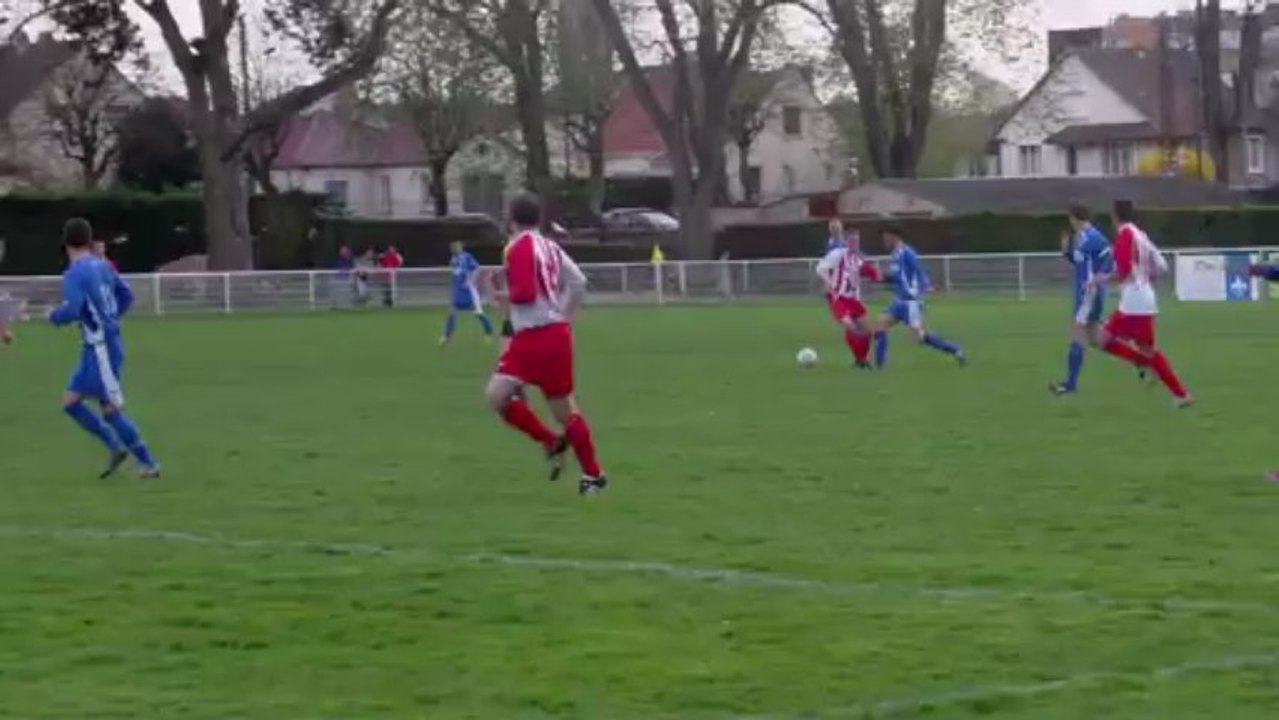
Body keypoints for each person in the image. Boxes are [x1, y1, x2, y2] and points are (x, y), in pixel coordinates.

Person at [485, 193, 606, 496]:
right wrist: (562, 316)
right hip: (556, 336)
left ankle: (550, 441)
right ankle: (593, 476)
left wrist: (500, 296)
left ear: (511, 218)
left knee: (496, 397)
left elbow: (525, 293)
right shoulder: (550, 246)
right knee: (565, 411)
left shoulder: (517, 246)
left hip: (532, 337)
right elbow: (578, 282)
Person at [49, 217, 159, 479]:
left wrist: (55, 316)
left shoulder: (74, 273)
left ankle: (146, 462)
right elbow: (127, 296)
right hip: (101, 345)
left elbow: (73, 309)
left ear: (65, 244)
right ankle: (119, 449)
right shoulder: (103, 266)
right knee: (72, 402)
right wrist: (110, 320)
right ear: (88, 240)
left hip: (100, 350)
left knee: (108, 409)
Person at [1093, 200, 1192, 408]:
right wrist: (1146, 279)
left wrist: (1099, 279)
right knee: (1145, 349)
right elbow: (1162, 266)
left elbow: (1124, 273)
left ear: (1114, 216)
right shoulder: (1141, 235)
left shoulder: (1124, 236)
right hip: (1144, 299)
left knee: (1103, 340)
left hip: (1133, 303)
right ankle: (1181, 394)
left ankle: (1147, 366)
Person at [872, 227, 966, 368]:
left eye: (886, 238)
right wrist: (881, 277)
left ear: (894, 236)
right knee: (880, 325)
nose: (884, 241)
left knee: (919, 337)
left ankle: (955, 349)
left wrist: (926, 284)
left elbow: (918, 270)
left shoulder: (907, 252)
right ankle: (879, 366)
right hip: (899, 301)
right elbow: (897, 277)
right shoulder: (894, 255)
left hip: (911, 303)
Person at [1050, 205, 1114, 395]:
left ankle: (1070, 384)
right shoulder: (1088, 238)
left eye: (1070, 218)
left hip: (1088, 294)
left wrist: (1096, 280)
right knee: (1096, 338)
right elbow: (1085, 263)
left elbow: (1104, 261)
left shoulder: (1089, 238)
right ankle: (1140, 361)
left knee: (1077, 335)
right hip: (1092, 293)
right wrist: (1066, 253)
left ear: (1074, 218)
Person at [816, 231, 880, 368]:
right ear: (846, 242)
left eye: (856, 241)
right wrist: (828, 283)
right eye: (851, 241)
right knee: (850, 326)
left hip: (854, 300)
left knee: (867, 331)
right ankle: (860, 358)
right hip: (838, 298)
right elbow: (820, 269)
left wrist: (876, 277)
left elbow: (869, 271)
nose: (854, 244)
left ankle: (862, 359)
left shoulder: (858, 259)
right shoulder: (837, 255)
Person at [441, 240, 495, 345]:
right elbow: (455, 274)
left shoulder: (467, 257)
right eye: (453, 247)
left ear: (461, 248)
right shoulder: (453, 259)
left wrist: (471, 280)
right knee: (451, 312)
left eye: (457, 247)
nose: (454, 249)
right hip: (458, 291)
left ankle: (489, 333)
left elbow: (477, 268)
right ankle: (447, 336)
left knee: (479, 313)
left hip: (469, 291)